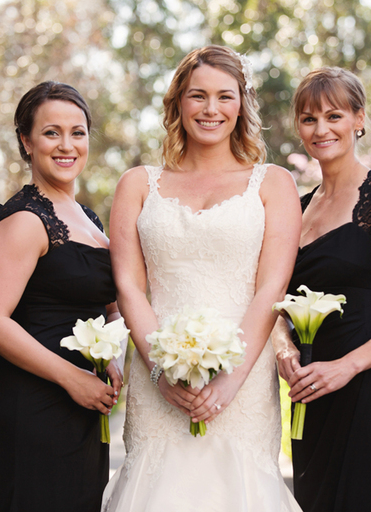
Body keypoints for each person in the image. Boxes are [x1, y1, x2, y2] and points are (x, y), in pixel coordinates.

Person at [102, 46, 302, 511]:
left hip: (245, 381)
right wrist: (159, 372)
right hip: (157, 376)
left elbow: (271, 288)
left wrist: (230, 381)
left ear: (241, 104)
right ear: (177, 104)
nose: (211, 110)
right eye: (198, 96)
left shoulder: (273, 183)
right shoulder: (137, 184)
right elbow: (129, 287)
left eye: (224, 97)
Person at [272, 67, 371, 512]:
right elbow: (276, 303)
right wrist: (283, 348)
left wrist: (346, 367)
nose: (321, 129)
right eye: (308, 119)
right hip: (308, 398)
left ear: (359, 119)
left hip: (365, 394)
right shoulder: (296, 209)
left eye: (334, 116)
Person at [0, 81, 123, 512]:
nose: (67, 145)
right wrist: (72, 377)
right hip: (33, 405)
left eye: (78, 133)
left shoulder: (88, 218)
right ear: (26, 140)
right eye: (51, 132)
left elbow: (106, 305)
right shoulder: (23, 220)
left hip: (82, 405)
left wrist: (108, 356)